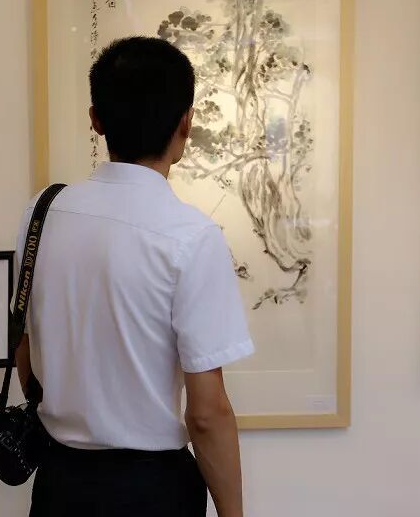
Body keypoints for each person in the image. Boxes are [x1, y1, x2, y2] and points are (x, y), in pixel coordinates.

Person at [15, 37, 255, 517]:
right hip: (152, 490)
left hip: (59, 482)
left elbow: (24, 349)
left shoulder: (43, 212)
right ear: (186, 123)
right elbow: (207, 414)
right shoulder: (191, 235)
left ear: (96, 119)